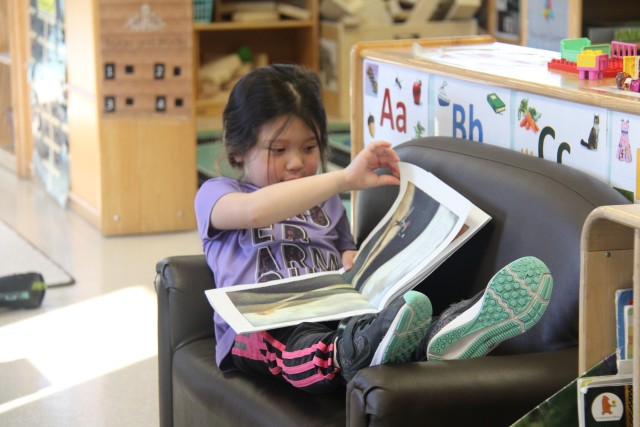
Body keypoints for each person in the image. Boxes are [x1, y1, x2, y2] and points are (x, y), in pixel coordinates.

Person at [195, 64, 553, 393]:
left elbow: (345, 255)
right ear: (237, 151)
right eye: (278, 149)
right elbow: (256, 212)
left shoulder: (328, 201)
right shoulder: (219, 194)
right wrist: (344, 178)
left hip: (331, 311)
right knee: (286, 341)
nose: (296, 163)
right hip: (256, 325)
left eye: (308, 147)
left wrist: (357, 259)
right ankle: (347, 353)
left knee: (392, 312)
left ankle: (446, 331)